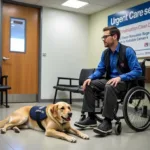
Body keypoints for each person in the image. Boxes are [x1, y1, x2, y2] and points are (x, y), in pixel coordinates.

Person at [74, 26, 142, 136]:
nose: (103, 39)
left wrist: (121, 77)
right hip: (110, 81)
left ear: (114, 36)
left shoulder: (127, 51)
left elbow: (137, 71)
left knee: (109, 86)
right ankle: (91, 118)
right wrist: (90, 78)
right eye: (103, 37)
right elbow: (100, 70)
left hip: (125, 83)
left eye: (105, 37)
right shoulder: (105, 53)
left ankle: (107, 122)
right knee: (89, 84)